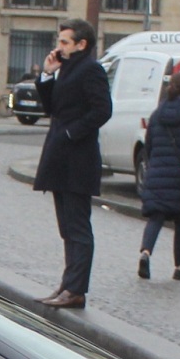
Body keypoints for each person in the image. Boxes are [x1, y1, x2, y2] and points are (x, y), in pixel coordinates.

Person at [32, 19, 111, 309]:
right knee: (66, 226)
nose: (59, 46)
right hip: (60, 156)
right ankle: (67, 285)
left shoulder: (91, 69)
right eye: (59, 40)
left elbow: (103, 110)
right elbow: (52, 107)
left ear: (81, 44)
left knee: (78, 227)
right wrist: (47, 76)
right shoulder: (66, 68)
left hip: (77, 159)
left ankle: (76, 289)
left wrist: (71, 132)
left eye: (65, 42)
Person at [135, 70, 180, 282]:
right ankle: (179, 267)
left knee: (156, 217)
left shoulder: (156, 116)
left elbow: (148, 147)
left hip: (157, 174)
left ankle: (145, 253)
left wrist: (154, 166)